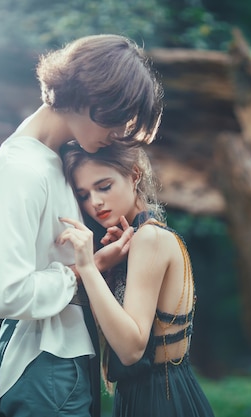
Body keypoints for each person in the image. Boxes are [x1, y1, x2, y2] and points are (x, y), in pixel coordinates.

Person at [0, 34, 163, 417]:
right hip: (45, 364)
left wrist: (94, 264)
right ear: (89, 98)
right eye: (117, 117)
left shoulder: (53, 161)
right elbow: (6, 294)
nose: (119, 132)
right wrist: (87, 268)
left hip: (64, 360)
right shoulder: (23, 169)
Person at [59, 142, 215, 417]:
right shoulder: (145, 238)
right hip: (156, 394)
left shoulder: (149, 238)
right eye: (83, 195)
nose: (94, 202)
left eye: (104, 186)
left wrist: (87, 266)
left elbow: (131, 349)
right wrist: (107, 269)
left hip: (159, 399)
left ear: (134, 175)